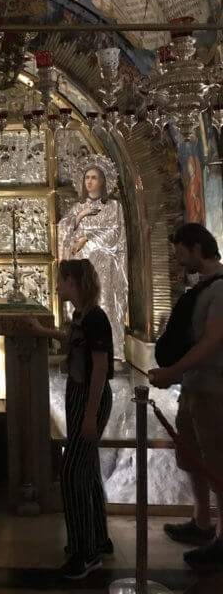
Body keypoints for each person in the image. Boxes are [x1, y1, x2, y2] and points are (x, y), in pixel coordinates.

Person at [22, 258, 114, 580]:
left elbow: (100, 369)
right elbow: (72, 341)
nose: (58, 286)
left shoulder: (97, 319)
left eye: (61, 280)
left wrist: (90, 415)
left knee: (73, 472)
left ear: (74, 282)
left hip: (92, 397)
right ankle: (99, 539)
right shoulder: (81, 316)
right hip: (78, 395)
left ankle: (84, 552)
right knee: (86, 470)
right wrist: (43, 331)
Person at [149, 223, 223, 572]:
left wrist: (173, 370)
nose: (179, 261)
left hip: (215, 388)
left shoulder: (221, 289)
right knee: (192, 456)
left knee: (217, 464)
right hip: (195, 386)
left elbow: (211, 341)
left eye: (181, 253)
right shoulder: (202, 287)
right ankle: (202, 523)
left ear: (197, 248)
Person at [58, 155, 128, 361]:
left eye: (94, 177)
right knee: (82, 302)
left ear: (103, 181)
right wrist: (80, 217)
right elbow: (62, 232)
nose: (89, 181)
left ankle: (108, 350)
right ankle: (81, 346)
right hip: (81, 266)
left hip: (103, 264)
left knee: (103, 302)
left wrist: (87, 237)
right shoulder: (78, 208)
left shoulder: (114, 207)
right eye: (87, 177)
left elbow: (115, 233)